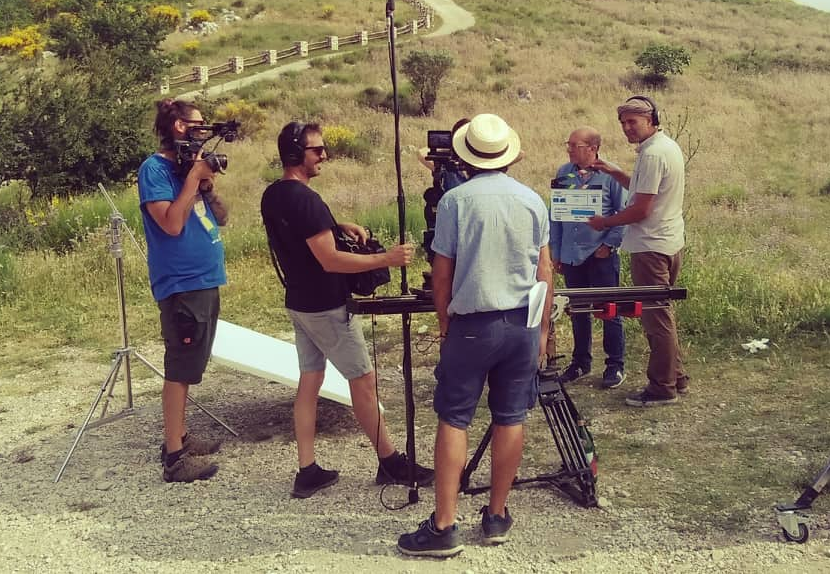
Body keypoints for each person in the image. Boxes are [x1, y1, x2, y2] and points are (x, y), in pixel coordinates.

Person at [397, 113, 553, 558]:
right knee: (511, 417)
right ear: (508, 155)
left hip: (473, 325)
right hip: (522, 321)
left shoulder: (455, 201)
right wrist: (543, 328)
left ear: (466, 155)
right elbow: (545, 272)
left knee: (455, 418)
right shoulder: (531, 200)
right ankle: (497, 515)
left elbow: (441, 273)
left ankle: (444, 524)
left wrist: (446, 323)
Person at [260, 121, 432, 499]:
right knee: (363, 382)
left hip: (299, 302)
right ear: (295, 154)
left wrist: (336, 223)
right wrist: (387, 258)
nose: (324, 155)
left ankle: (307, 470)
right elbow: (329, 259)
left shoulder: (274, 195)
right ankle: (390, 462)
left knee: (310, 382)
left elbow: (302, 231)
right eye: (316, 150)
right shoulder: (307, 199)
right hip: (326, 306)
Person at [138, 99, 229, 483]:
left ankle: (182, 436)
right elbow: (171, 225)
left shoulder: (185, 168)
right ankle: (174, 456)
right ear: (178, 126)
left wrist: (206, 185)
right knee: (179, 367)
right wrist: (192, 181)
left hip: (205, 277)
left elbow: (221, 218)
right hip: (181, 283)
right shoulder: (154, 169)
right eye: (197, 125)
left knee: (192, 366)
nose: (203, 130)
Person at [587, 96, 688, 407]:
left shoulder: (654, 154)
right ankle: (677, 377)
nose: (626, 128)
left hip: (651, 246)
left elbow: (641, 209)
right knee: (663, 314)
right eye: (622, 122)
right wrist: (615, 172)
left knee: (656, 318)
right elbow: (645, 190)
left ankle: (662, 388)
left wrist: (605, 222)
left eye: (632, 121)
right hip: (667, 241)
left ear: (651, 120)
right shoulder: (663, 147)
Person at [549, 126, 628, 389]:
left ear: (592, 148)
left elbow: (625, 213)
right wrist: (556, 252)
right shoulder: (564, 173)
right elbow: (556, 215)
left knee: (609, 310)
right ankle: (580, 362)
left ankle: (615, 365)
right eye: (568, 144)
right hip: (572, 256)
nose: (569, 149)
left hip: (600, 254)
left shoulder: (611, 175)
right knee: (578, 311)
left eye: (574, 145)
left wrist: (609, 244)